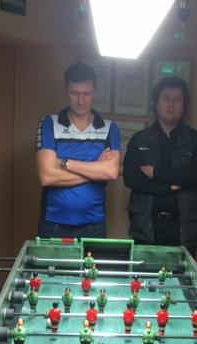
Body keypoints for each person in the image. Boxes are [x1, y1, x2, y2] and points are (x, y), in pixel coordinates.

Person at [123, 76, 197, 258]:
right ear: (156, 103)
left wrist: (154, 172)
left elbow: (194, 175)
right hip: (146, 225)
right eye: (165, 98)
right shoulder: (139, 140)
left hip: (184, 227)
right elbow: (131, 178)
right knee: (143, 275)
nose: (171, 105)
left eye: (177, 100)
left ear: (184, 105)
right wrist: (167, 187)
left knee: (183, 275)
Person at [35, 62, 121, 240]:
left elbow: (112, 172)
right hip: (53, 225)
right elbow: (46, 176)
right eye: (75, 93)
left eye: (87, 93)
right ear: (66, 90)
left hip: (93, 227)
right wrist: (96, 171)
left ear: (95, 92)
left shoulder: (109, 128)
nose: (81, 101)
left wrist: (65, 163)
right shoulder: (49, 123)